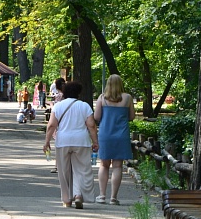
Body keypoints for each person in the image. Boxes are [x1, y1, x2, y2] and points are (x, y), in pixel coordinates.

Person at [43, 81, 98, 209]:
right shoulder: (85, 106)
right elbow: (91, 125)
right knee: (81, 170)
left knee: (63, 171)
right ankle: (78, 195)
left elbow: (51, 125)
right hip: (81, 141)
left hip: (63, 141)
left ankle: (67, 200)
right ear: (78, 93)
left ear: (64, 93)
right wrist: (95, 141)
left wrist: (46, 142)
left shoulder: (58, 106)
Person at [94, 74, 136, 205]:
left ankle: (101, 195)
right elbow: (131, 117)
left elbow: (96, 116)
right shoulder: (127, 98)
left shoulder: (102, 98)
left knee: (103, 165)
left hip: (106, 134)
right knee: (117, 166)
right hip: (121, 135)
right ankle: (113, 197)